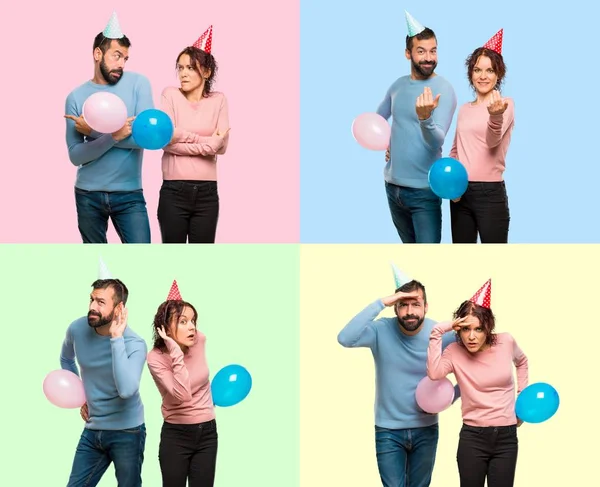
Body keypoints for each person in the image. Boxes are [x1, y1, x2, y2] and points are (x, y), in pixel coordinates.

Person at [337, 266, 460, 487]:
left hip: (426, 429)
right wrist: (381, 302)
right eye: (403, 304)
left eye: (415, 304)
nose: (409, 311)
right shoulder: (380, 330)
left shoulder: (440, 335)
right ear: (395, 308)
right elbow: (345, 338)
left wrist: (450, 397)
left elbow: (471, 370)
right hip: (388, 430)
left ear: (426, 307)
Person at [426, 279, 528, 487]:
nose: (471, 337)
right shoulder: (454, 351)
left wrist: (522, 403)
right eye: (465, 329)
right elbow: (434, 373)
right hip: (473, 438)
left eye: (479, 329)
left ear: (488, 327)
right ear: (458, 329)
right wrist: (439, 331)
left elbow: (522, 361)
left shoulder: (505, 341)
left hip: (506, 437)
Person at [64, 11, 155, 244]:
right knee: (95, 263)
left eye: (125, 58)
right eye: (116, 56)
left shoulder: (138, 84)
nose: (121, 64)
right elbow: (76, 156)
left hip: (130, 195)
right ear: (98, 53)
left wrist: (94, 132)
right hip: (87, 195)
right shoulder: (76, 97)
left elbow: (146, 138)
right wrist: (115, 136)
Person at [60, 278, 148, 487]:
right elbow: (66, 359)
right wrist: (80, 396)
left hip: (128, 432)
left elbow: (127, 390)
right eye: (91, 299)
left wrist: (116, 338)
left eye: (100, 302)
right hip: (92, 430)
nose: (92, 307)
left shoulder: (135, 344)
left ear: (119, 308)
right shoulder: (77, 329)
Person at [378, 11, 457, 244]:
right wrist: (389, 143)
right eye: (421, 51)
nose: (428, 57)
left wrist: (425, 118)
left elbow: (437, 140)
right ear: (408, 53)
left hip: (424, 191)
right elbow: (377, 120)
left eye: (433, 50)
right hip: (393, 189)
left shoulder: (444, 89)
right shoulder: (397, 86)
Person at [158, 26, 231, 244]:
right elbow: (166, 140)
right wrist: (207, 145)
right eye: (180, 68)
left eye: (190, 67)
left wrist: (181, 136)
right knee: (173, 257)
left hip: (208, 194)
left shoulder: (219, 100)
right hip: (173, 191)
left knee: (203, 260)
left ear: (206, 72)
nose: (183, 73)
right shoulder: (170, 95)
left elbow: (223, 147)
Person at [147, 280, 218, 487]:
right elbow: (182, 394)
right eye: (183, 321)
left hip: (207, 433)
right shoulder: (155, 358)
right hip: (176, 435)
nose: (192, 327)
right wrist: (175, 351)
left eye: (193, 321)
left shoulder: (200, 340)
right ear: (165, 326)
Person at [448, 30, 515, 243]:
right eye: (477, 70)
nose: (483, 76)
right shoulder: (465, 109)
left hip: (490, 193)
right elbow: (456, 150)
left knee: (494, 262)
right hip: (460, 193)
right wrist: (452, 185)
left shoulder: (506, 104)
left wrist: (495, 115)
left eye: (489, 70)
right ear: (471, 74)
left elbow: (492, 142)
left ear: (498, 75)